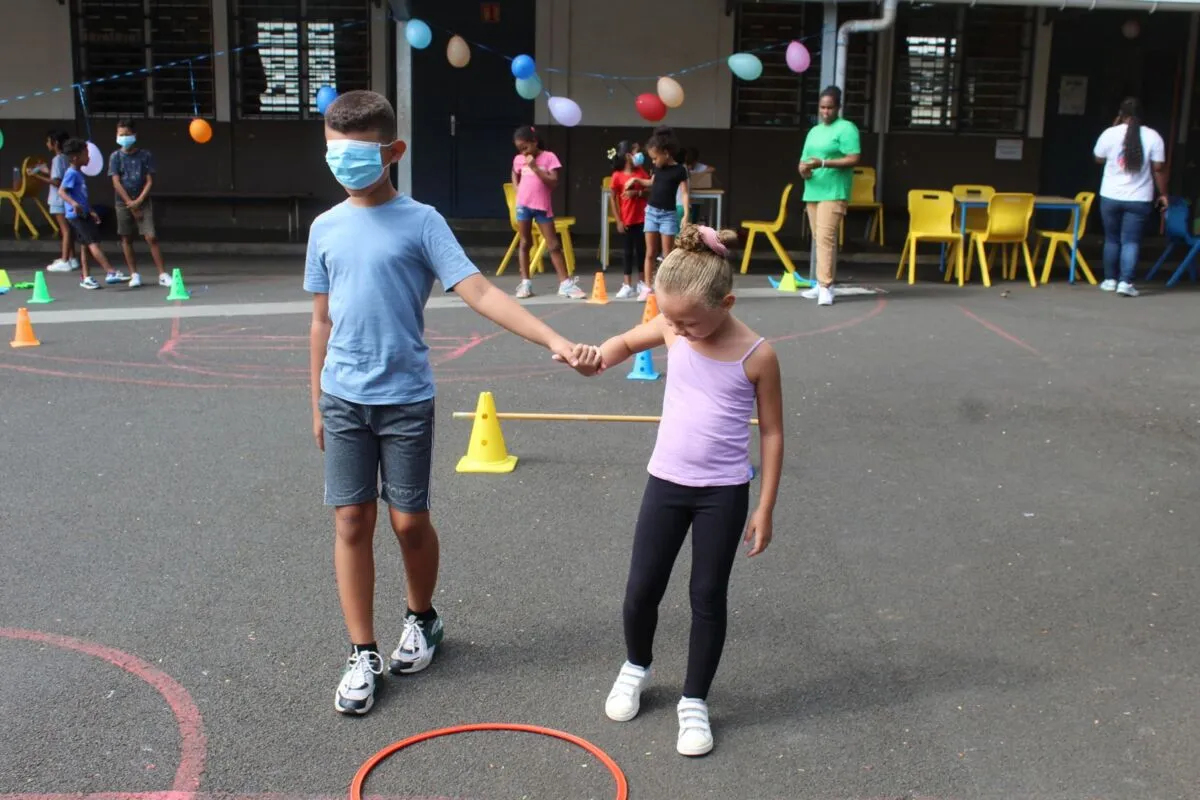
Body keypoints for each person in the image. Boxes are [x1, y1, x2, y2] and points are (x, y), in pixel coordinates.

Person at [304, 90, 601, 716]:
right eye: (334, 152)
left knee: (408, 522)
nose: (343, 164)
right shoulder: (324, 227)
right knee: (351, 520)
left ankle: (423, 618)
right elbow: (320, 320)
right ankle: (362, 651)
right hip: (342, 398)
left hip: (405, 399)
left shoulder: (422, 222)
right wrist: (315, 400)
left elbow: (481, 292)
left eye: (357, 153)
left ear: (393, 152)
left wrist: (555, 339)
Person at [585, 224, 784, 757]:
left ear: (727, 303)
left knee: (707, 597)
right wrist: (596, 357)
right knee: (641, 588)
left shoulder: (757, 355)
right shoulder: (674, 328)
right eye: (669, 319)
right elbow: (627, 341)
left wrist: (765, 505)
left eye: (687, 321)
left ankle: (694, 700)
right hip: (666, 483)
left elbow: (771, 432)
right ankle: (636, 665)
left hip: (723, 493)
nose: (675, 328)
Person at [1093, 97, 1167, 298]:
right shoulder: (1153, 136)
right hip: (1139, 198)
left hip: (1110, 195)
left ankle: (1110, 280)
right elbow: (1158, 168)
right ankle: (1125, 283)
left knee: (1111, 239)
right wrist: (1163, 194)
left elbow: (1098, 158)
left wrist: (1113, 128)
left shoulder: (1109, 134)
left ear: (1120, 114)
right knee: (1131, 241)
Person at [798, 86, 860, 306]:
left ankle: (825, 286)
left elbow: (853, 158)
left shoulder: (846, 128)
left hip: (834, 191)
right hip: (813, 189)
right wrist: (803, 169)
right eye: (822, 107)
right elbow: (804, 159)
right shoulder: (814, 131)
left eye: (830, 108)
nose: (825, 112)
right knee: (819, 239)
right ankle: (822, 283)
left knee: (825, 238)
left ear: (838, 107)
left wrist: (823, 163)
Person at [510, 125, 585, 300]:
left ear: (535, 142)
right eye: (520, 149)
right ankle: (525, 283)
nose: (523, 152)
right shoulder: (519, 159)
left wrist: (535, 168)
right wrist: (516, 187)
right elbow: (514, 172)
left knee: (553, 245)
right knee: (525, 242)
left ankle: (565, 284)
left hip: (542, 207)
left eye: (525, 147)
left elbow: (553, 182)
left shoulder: (549, 157)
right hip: (523, 205)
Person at [625, 126, 690, 301]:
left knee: (667, 254)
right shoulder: (657, 168)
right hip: (651, 213)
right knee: (650, 252)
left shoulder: (680, 170)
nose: (653, 162)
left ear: (666, 153)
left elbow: (684, 193)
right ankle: (647, 287)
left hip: (668, 215)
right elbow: (651, 183)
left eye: (655, 158)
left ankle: (667, 288)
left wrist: (685, 214)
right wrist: (636, 180)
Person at [109, 119, 173, 289]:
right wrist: (130, 203)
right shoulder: (115, 157)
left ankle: (162, 274)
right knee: (126, 237)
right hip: (122, 203)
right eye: (120, 134)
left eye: (127, 134)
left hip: (143, 201)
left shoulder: (145, 155)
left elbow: (149, 181)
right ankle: (134, 274)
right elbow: (116, 182)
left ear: (134, 135)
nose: (124, 137)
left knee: (151, 237)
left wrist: (138, 201)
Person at [58, 138, 125, 290]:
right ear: (75, 157)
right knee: (93, 243)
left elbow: (81, 197)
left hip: (83, 213)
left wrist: (91, 210)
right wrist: (74, 204)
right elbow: (62, 191)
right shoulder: (71, 173)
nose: (89, 157)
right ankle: (110, 272)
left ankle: (86, 277)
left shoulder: (78, 173)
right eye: (86, 154)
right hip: (77, 215)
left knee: (85, 245)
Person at [28, 130, 79, 272]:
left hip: (58, 198)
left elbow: (57, 182)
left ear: (55, 143)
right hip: (67, 198)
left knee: (65, 230)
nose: (47, 144)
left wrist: (37, 176)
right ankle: (72, 258)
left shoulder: (57, 159)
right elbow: (61, 177)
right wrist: (47, 171)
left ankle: (64, 260)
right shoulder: (66, 158)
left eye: (48, 141)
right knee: (68, 229)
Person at [608, 140, 650, 299]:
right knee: (627, 252)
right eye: (636, 152)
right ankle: (627, 284)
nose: (639, 155)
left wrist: (637, 193)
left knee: (642, 251)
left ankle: (641, 282)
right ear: (627, 156)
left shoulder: (641, 172)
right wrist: (618, 220)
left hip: (642, 218)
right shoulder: (617, 176)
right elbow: (613, 198)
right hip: (627, 220)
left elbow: (650, 190)